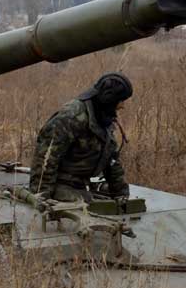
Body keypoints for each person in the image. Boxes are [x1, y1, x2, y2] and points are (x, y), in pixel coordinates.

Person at [30, 72, 133, 202]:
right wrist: (41, 198)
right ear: (109, 99)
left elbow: (111, 158)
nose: (122, 106)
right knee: (88, 204)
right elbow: (46, 158)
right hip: (61, 185)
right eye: (121, 101)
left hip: (82, 184)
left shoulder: (103, 116)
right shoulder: (72, 116)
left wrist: (120, 192)